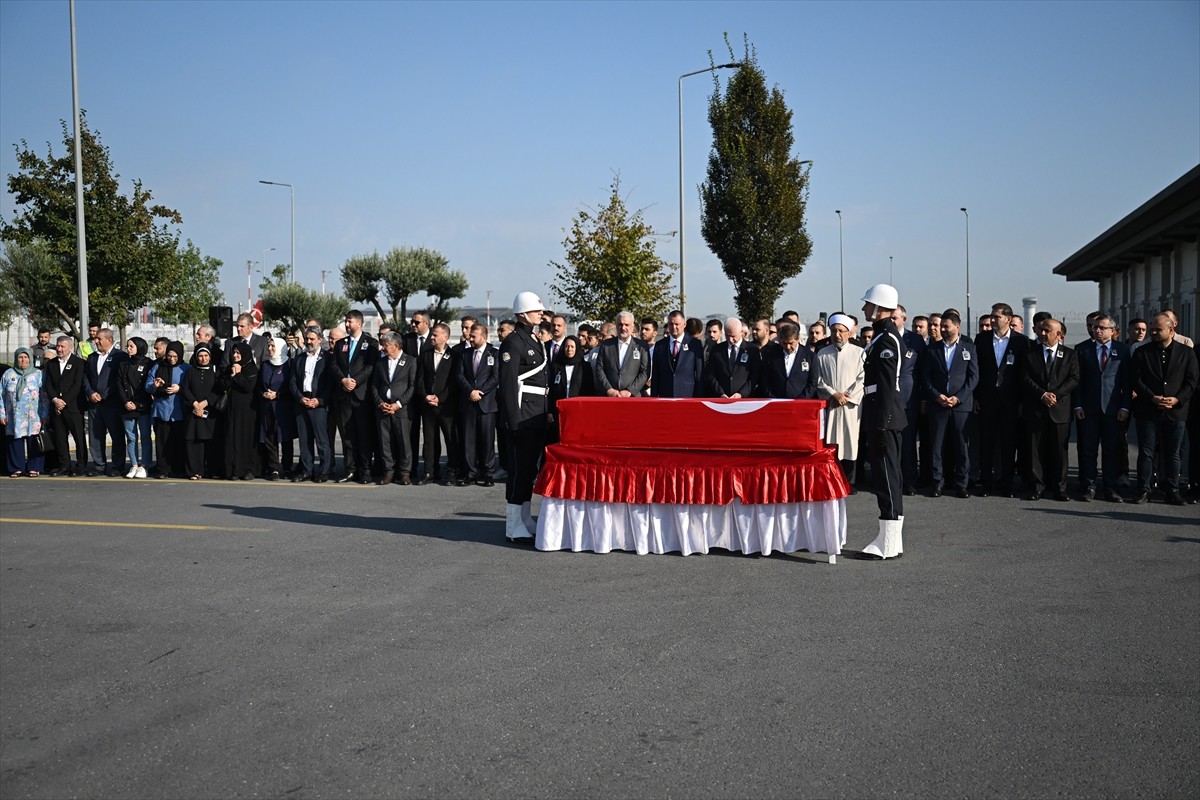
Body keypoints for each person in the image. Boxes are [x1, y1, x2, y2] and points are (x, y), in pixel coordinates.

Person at [857, 285, 908, 560]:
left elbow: (888, 385)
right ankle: (892, 540)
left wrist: (882, 422)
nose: (864, 308)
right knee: (889, 476)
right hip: (882, 414)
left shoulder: (886, 339)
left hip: (884, 417)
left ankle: (887, 543)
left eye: (868, 304)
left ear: (879, 307)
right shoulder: (882, 336)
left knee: (886, 477)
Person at [1130, 313, 1198, 505]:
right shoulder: (1141, 352)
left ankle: (1172, 490)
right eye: (1152, 329)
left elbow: (1192, 381)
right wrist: (1152, 397)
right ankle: (1144, 489)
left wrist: (1177, 399)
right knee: (1146, 452)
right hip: (1148, 410)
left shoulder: (1186, 352)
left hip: (1176, 412)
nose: (1152, 332)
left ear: (1171, 329)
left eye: (1157, 330)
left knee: (1173, 453)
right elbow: (1135, 379)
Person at [499, 291, 550, 543]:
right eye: (535, 311)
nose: (540, 314)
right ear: (522, 314)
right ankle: (513, 525)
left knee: (529, 470)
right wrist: (513, 421)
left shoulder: (533, 338)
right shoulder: (513, 342)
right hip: (522, 415)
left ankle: (525, 518)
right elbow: (508, 385)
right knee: (519, 471)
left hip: (536, 414)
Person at [1071, 314, 1131, 502]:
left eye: (1102, 328)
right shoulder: (1082, 349)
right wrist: (1078, 405)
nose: (1097, 330)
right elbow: (1077, 381)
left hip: (1112, 409)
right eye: (1095, 327)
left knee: (1111, 450)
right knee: (1088, 450)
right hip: (1088, 409)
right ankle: (1089, 486)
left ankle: (1110, 487)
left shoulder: (1122, 350)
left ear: (1112, 331)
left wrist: (1125, 407)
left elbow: (1127, 382)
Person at [973, 303, 1029, 497]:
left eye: (996, 316)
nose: (993, 319)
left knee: (1008, 444)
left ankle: (1006, 484)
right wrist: (976, 397)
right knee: (986, 442)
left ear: (1008, 319)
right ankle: (986, 484)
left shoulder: (1021, 341)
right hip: (987, 399)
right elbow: (976, 370)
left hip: (1010, 401)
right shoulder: (982, 339)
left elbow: (1023, 374)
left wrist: (1021, 402)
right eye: (992, 316)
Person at [1022, 318, 1080, 501]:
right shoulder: (1030, 354)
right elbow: (1024, 377)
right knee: (1035, 450)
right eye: (1041, 330)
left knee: (1059, 451)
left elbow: (1074, 378)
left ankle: (1060, 488)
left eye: (1047, 331)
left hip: (1059, 409)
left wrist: (1054, 394)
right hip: (1036, 408)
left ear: (1059, 335)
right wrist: (1042, 394)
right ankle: (1037, 487)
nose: (1042, 333)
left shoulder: (1070, 354)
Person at [922, 312, 978, 498]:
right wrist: (937, 396)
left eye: (946, 326)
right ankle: (937, 483)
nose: (942, 329)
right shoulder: (932, 349)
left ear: (957, 327)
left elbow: (973, 377)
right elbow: (926, 377)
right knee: (937, 446)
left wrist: (958, 398)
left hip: (961, 406)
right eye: (942, 326)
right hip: (938, 405)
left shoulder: (969, 348)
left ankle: (961, 484)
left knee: (962, 447)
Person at [815, 314, 865, 487]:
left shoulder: (859, 353)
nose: (837, 335)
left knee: (850, 441)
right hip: (832, 405)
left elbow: (862, 378)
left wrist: (847, 396)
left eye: (841, 331)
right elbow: (818, 380)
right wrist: (833, 394)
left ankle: (850, 481)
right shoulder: (822, 354)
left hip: (851, 406)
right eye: (834, 331)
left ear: (849, 333)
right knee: (831, 442)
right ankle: (832, 480)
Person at [331, 311, 379, 484]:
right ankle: (350, 469)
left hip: (361, 396)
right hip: (344, 395)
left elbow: (370, 366)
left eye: (350, 321)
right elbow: (334, 365)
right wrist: (343, 380)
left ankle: (365, 470)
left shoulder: (371, 343)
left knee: (364, 435)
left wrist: (355, 381)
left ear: (359, 323)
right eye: (346, 321)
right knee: (348, 436)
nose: (347, 324)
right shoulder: (341, 344)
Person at [456, 322, 501, 486]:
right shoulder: (464, 354)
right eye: (470, 336)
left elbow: (495, 377)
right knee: (468, 440)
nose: (470, 339)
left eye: (474, 336)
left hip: (487, 404)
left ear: (484, 336)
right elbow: (459, 375)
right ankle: (471, 473)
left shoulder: (494, 353)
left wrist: (480, 392)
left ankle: (488, 473)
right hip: (468, 403)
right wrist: (470, 392)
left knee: (487, 440)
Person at [372, 331, 418, 485]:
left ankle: (405, 473)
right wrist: (380, 402)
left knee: (404, 442)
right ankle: (388, 472)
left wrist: (398, 404)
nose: (383, 348)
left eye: (385, 345)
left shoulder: (410, 361)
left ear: (396, 346)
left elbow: (412, 387)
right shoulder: (380, 362)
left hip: (401, 409)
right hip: (383, 408)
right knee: (385, 442)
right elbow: (374, 385)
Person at [83, 328, 129, 477]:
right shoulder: (92, 357)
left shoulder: (120, 356)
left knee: (117, 436)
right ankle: (99, 465)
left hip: (112, 403)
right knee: (95, 436)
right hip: (94, 404)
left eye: (99, 339)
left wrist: (104, 394)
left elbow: (119, 379)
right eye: (96, 339)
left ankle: (118, 466)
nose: (96, 341)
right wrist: (90, 392)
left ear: (109, 340)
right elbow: (85, 377)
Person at [291, 327, 334, 483]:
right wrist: (300, 398)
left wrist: (320, 400)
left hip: (319, 404)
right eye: (307, 338)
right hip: (302, 402)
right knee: (304, 440)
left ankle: (324, 471)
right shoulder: (299, 358)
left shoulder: (327, 359)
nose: (309, 342)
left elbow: (330, 384)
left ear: (320, 340)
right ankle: (307, 470)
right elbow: (293, 381)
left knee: (322, 440)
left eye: (312, 339)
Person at [417, 322, 457, 484]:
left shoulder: (454, 355)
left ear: (445, 337)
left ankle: (452, 471)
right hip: (428, 405)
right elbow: (419, 378)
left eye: (435, 335)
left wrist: (441, 398)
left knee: (450, 439)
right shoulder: (425, 354)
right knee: (429, 440)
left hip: (446, 406)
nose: (432, 337)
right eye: (432, 334)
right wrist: (425, 395)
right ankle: (430, 471)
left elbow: (453, 381)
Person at [43, 335, 87, 476]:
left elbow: (77, 385)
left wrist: (63, 401)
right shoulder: (51, 364)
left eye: (63, 346)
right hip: (56, 408)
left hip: (73, 407)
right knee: (60, 438)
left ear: (70, 347)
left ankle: (81, 466)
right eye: (58, 346)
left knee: (79, 438)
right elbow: (48, 384)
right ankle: (64, 466)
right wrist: (55, 400)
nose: (59, 349)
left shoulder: (79, 363)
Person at [1, 347, 48, 477]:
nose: (23, 360)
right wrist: (2, 414)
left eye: (26, 357)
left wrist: (45, 414)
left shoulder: (38, 374)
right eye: (20, 357)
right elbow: (1, 395)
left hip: (34, 415)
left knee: (34, 441)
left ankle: (34, 467)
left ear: (30, 359)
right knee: (14, 441)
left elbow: (44, 396)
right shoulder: (8, 374)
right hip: (13, 415)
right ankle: (17, 468)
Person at [146, 341, 188, 479]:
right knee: (162, 442)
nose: (172, 359)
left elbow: (191, 387)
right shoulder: (158, 366)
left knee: (179, 442)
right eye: (169, 356)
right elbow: (148, 386)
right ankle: (163, 469)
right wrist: (155, 385)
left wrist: (180, 389)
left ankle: (178, 468)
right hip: (161, 410)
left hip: (179, 411)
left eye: (175, 356)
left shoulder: (186, 368)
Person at [221, 341, 260, 480]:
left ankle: (248, 470)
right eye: (234, 352)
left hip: (247, 411)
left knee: (246, 439)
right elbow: (222, 384)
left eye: (238, 353)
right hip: (232, 410)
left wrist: (238, 374)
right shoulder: (230, 368)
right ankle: (233, 470)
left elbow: (248, 387)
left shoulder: (252, 369)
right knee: (232, 438)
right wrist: (232, 373)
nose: (235, 355)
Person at [257, 336, 295, 481]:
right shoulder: (265, 365)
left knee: (286, 438)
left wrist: (278, 394)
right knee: (270, 437)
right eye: (269, 346)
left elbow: (292, 385)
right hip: (267, 406)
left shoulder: (289, 364)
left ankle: (287, 467)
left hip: (283, 406)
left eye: (273, 346)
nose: (270, 349)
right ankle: (274, 468)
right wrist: (263, 393)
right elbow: (259, 385)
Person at [181, 344, 220, 480]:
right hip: (194, 411)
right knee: (194, 441)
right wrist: (195, 404)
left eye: (206, 356)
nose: (203, 359)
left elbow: (218, 390)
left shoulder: (215, 370)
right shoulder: (191, 371)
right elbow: (185, 389)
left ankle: (213, 470)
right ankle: (195, 471)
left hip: (210, 412)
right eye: (200, 356)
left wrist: (205, 403)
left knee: (212, 441)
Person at [117, 337, 155, 479]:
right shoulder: (124, 364)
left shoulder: (149, 364)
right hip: (127, 406)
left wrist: (138, 404)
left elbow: (147, 385)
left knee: (145, 436)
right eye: (127, 346)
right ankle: (134, 464)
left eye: (131, 346)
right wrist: (126, 401)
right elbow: (119, 384)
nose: (128, 349)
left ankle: (144, 465)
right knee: (131, 437)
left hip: (143, 406)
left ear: (140, 347)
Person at [546, 335, 593, 444]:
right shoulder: (556, 366)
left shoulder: (585, 367)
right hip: (559, 410)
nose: (569, 349)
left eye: (572, 346)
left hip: (578, 410)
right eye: (567, 346)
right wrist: (550, 411)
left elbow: (589, 389)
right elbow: (551, 390)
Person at [595, 311, 651, 397]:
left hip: (633, 397)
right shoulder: (606, 345)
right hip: (609, 396)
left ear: (632, 326)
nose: (623, 328)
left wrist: (630, 391)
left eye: (626, 325)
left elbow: (645, 372)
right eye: (620, 324)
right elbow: (599, 368)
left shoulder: (642, 346)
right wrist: (609, 389)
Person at [650, 310, 704, 398]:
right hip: (665, 395)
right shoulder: (660, 345)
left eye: (677, 324)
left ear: (684, 324)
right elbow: (656, 375)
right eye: (671, 324)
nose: (674, 327)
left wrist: (699, 398)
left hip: (687, 395)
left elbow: (699, 374)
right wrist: (654, 397)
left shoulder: (695, 344)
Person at [759, 322, 818, 399]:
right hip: (775, 401)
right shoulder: (770, 354)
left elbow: (813, 382)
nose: (788, 347)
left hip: (801, 402)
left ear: (798, 338)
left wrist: (801, 400)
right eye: (784, 343)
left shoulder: (810, 356)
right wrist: (773, 398)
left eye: (791, 343)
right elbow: (764, 380)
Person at [705, 318, 760, 398]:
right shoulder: (717, 350)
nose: (731, 339)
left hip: (745, 399)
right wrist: (720, 393)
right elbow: (711, 374)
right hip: (721, 398)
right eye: (728, 336)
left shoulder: (752, 350)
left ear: (741, 332)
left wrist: (741, 394)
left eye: (733, 336)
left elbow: (755, 375)